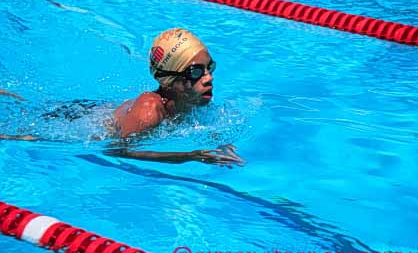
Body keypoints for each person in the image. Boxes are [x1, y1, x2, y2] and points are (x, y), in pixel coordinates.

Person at [0, 28, 245, 167]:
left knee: (29, 106)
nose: (208, 77)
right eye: (195, 71)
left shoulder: (194, 98)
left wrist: (220, 144)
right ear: (169, 80)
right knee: (26, 131)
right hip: (81, 123)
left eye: (209, 67)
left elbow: (212, 127)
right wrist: (189, 156)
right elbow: (117, 152)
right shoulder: (150, 111)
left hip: (100, 109)